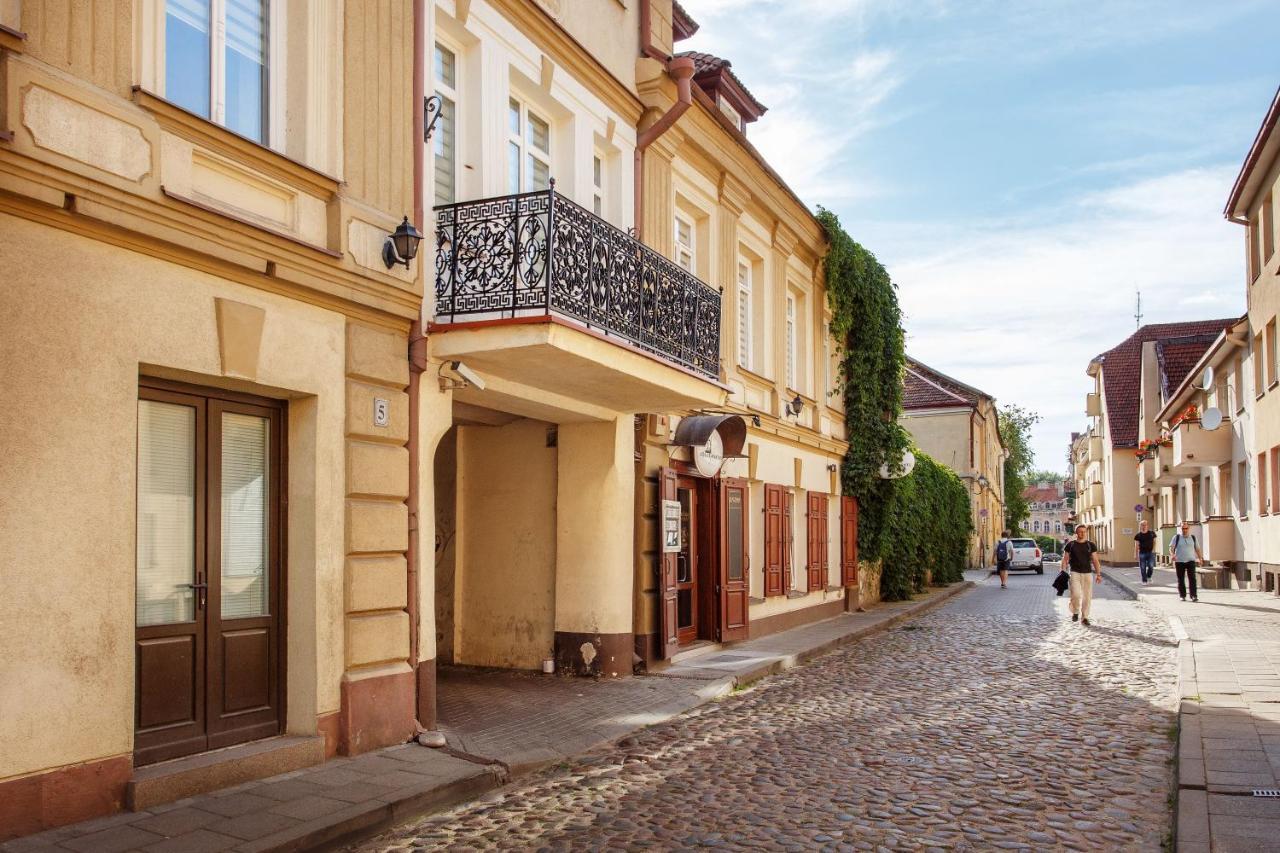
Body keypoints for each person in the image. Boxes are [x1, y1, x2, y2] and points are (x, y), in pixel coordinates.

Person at [1063, 524, 1102, 625]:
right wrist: (1063, 571)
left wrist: (1098, 574)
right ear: (1076, 533)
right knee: (1075, 594)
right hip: (1074, 572)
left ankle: (1085, 617)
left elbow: (1095, 560)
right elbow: (1065, 559)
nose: (1083, 533)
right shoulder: (1070, 545)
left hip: (1087, 573)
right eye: (1080, 531)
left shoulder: (1090, 545)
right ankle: (1075, 611)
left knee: (1087, 596)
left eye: (1084, 531)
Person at [1170, 521, 1203, 602]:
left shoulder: (1193, 537)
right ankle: (1182, 595)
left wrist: (1200, 558)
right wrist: (1172, 555)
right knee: (1180, 579)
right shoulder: (1176, 537)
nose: (1184, 530)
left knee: (1192, 579)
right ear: (1180, 529)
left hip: (1191, 560)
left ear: (1188, 528)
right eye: (1183, 528)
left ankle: (1193, 596)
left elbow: (1197, 549)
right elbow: (1171, 548)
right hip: (1179, 561)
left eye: (1186, 528)